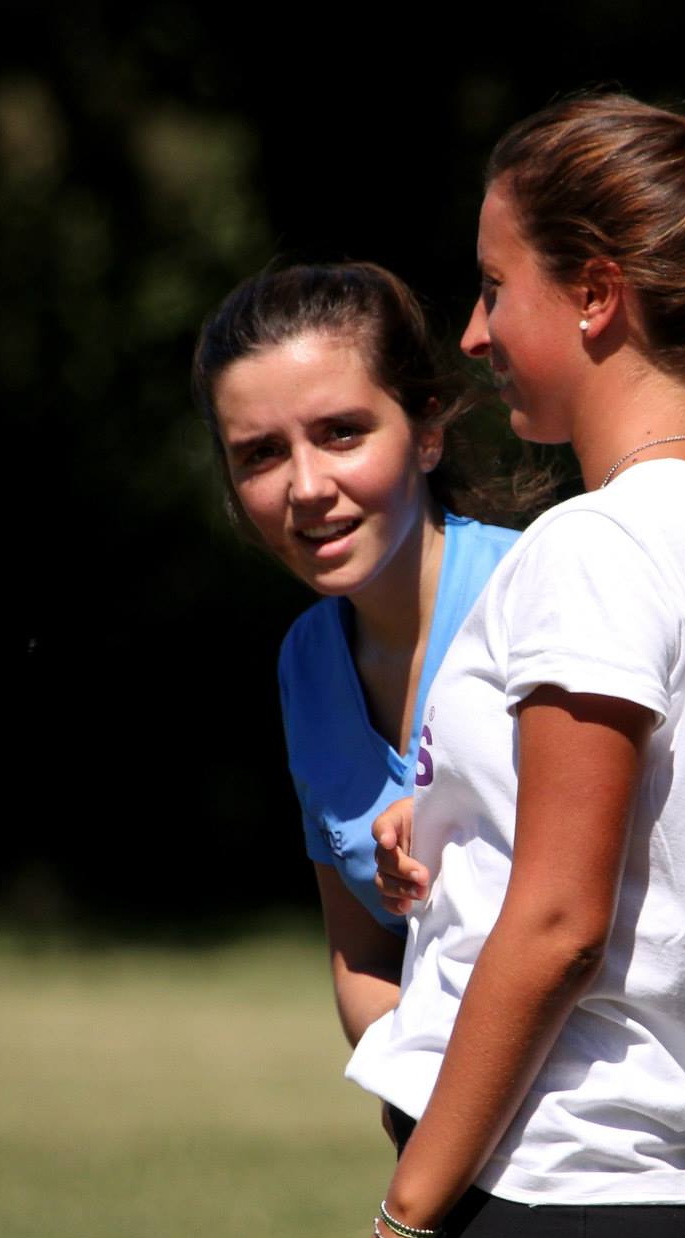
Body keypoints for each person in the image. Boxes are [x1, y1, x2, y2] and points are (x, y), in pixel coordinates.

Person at [332, 96, 685, 1238]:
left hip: (556, 1204)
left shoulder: (594, 547)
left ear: (596, 295)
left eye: (493, 286)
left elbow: (563, 923)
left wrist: (405, 1224)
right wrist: (453, 823)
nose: (472, 331)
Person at [191, 262, 522, 1060]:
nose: (307, 486)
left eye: (341, 433)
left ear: (429, 431)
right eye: (262, 454)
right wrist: (410, 1090)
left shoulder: (535, 593)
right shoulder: (306, 662)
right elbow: (363, 960)